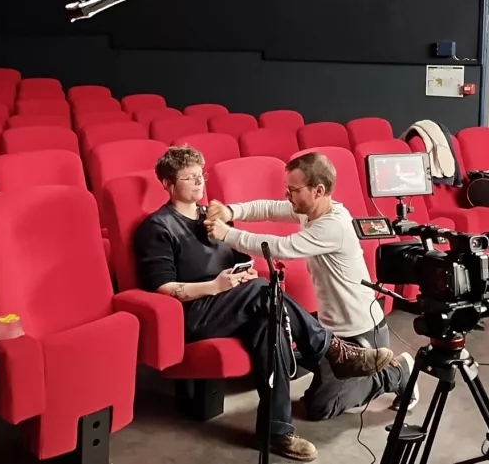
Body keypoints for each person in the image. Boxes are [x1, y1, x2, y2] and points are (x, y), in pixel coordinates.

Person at [134, 146, 394, 462]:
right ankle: (331, 349)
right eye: (189, 178)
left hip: (230, 306)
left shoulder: (210, 219)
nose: (199, 182)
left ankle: (276, 430)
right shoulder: (157, 227)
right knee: (262, 290)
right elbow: (163, 288)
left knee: (270, 322)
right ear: (167, 184)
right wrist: (215, 286)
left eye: (201, 175)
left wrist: (242, 271)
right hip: (193, 315)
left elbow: (242, 255)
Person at [204, 152, 418, 422]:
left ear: (318, 190)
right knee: (291, 349)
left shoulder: (333, 226)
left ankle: (397, 372)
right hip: (331, 330)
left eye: (293, 190)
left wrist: (227, 233)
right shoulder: (310, 211)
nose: (287, 195)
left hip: (361, 335)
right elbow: (269, 208)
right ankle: (332, 371)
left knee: (319, 408)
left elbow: (280, 247)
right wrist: (232, 211)